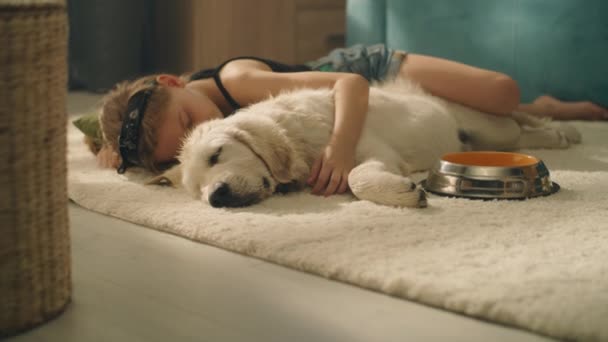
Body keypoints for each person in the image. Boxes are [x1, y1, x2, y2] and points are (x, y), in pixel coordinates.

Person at [96, 44, 608, 196]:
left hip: (367, 73)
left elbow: (350, 88)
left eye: (188, 121)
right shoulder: (180, 126)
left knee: (501, 93)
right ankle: (533, 111)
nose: (195, 133)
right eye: (180, 144)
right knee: (481, 111)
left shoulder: (237, 78)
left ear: (170, 82)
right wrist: (110, 149)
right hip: (386, 110)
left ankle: (540, 107)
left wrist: (341, 149)